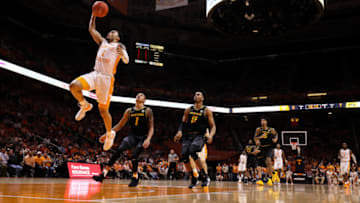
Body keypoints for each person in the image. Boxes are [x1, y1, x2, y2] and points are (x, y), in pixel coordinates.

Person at [69, 12, 129, 151]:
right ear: (108, 36)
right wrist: (93, 14)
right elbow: (91, 29)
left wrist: (122, 54)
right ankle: (85, 105)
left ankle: (109, 134)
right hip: (95, 74)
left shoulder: (119, 46)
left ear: (118, 37)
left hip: (107, 79)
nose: (113, 32)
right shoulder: (102, 42)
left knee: (103, 110)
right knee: (73, 86)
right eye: (111, 31)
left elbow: (126, 61)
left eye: (115, 32)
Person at [93, 93, 154, 187]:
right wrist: (107, 134)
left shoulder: (148, 111)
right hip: (133, 136)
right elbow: (119, 125)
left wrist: (148, 139)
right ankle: (103, 174)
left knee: (134, 156)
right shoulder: (129, 111)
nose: (138, 95)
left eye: (141, 95)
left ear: (144, 100)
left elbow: (151, 127)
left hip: (143, 137)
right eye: (137, 95)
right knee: (119, 150)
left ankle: (135, 176)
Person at [174, 91, 216, 188]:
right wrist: (179, 131)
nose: (196, 95)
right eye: (195, 94)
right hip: (187, 135)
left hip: (199, 135)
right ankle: (193, 177)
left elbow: (213, 126)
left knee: (193, 150)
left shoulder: (206, 110)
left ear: (203, 98)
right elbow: (183, 124)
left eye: (199, 94)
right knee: (184, 155)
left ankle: (204, 176)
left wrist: (211, 135)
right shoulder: (188, 110)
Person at [254, 117, 278, 186]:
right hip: (262, 147)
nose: (262, 122)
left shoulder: (271, 129)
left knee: (268, 160)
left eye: (264, 120)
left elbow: (276, 135)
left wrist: (275, 139)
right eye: (261, 121)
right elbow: (255, 138)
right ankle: (274, 173)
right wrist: (259, 139)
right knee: (262, 164)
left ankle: (270, 178)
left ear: (266, 122)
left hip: (269, 147)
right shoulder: (258, 129)